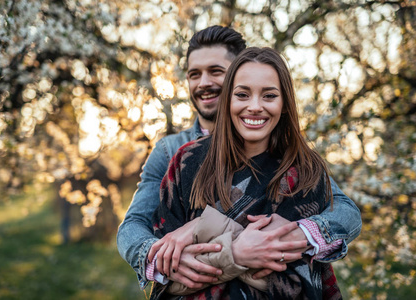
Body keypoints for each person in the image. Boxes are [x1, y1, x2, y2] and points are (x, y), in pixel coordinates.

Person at [117, 25, 361, 291]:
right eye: (194, 74)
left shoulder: (296, 163)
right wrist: (165, 257)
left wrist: (205, 229)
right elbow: (134, 226)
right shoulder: (175, 153)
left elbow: (344, 211)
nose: (204, 83)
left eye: (216, 71)